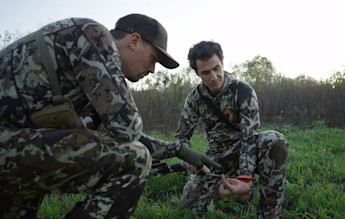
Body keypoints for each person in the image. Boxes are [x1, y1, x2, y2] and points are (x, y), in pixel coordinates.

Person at [0, 14, 222, 218]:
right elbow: (127, 130)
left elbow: (113, 131)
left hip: (15, 147)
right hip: (9, 147)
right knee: (135, 158)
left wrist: (178, 150)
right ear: (134, 41)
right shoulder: (92, 35)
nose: (153, 70)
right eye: (153, 59)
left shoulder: (86, 70)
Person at [176, 41, 289, 219]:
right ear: (197, 74)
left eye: (217, 68)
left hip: (247, 149)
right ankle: (242, 192)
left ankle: (269, 212)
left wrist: (245, 177)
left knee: (274, 140)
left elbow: (249, 137)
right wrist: (186, 155)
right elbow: (181, 136)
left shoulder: (242, 91)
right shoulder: (194, 99)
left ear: (222, 64)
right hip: (217, 157)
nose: (214, 76)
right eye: (206, 72)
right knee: (190, 204)